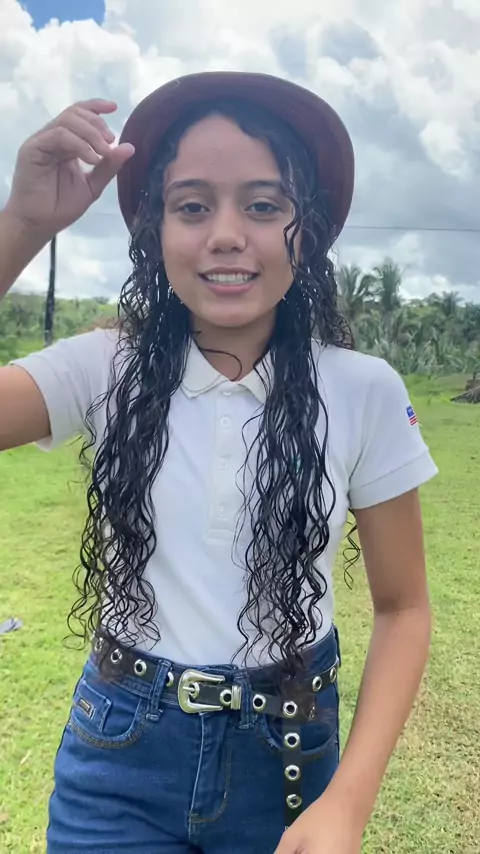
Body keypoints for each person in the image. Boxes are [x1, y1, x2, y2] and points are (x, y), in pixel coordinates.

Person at [0, 72, 437, 854]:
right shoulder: (104, 368)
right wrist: (23, 223)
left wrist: (347, 803)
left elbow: (404, 609)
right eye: (193, 206)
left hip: (290, 758)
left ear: (308, 229)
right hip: (119, 756)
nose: (227, 234)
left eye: (264, 206)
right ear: (155, 229)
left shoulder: (364, 390)